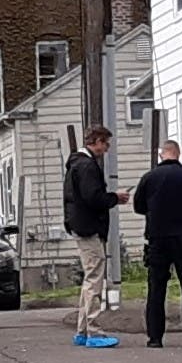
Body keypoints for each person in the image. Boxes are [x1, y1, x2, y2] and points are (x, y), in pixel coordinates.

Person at [133, 140, 182, 348]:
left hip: (157, 239)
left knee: (156, 288)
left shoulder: (149, 178)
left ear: (161, 155)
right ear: (177, 154)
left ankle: (155, 338)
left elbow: (138, 206)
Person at [63, 125, 130, 348]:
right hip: (89, 227)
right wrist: (114, 197)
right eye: (106, 143)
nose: (107, 148)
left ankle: (82, 330)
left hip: (79, 225)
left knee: (89, 278)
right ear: (97, 141)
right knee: (94, 278)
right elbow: (93, 198)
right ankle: (94, 330)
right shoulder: (87, 166)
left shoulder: (76, 164)